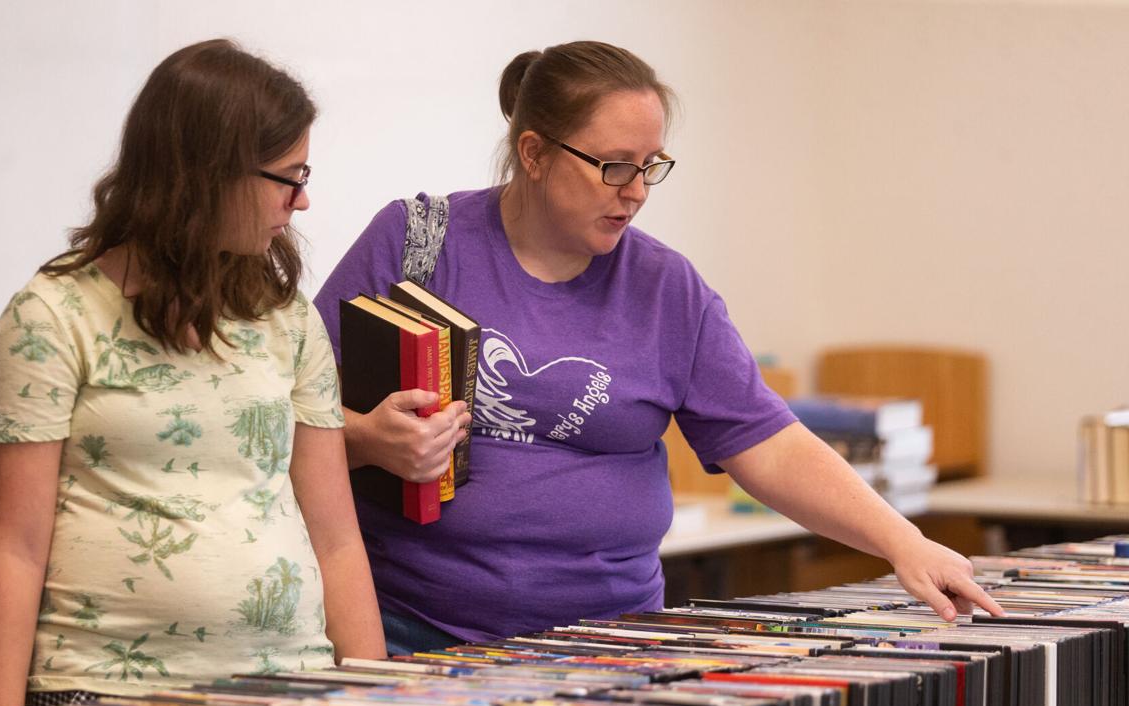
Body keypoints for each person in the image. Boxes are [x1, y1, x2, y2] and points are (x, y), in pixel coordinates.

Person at [313, 40, 1002, 655]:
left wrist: (902, 542)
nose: (637, 192)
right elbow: (283, 419)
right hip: (420, 634)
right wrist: (368, 440)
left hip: (613, 641)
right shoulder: (414, 244)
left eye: (652, 166)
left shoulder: (666, 288)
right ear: (534, 153)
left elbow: (768, 442)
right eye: (614, 167)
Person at [0, 39, 385, 706]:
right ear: (208, 174)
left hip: (294, 692)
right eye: (288, 175)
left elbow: (336, 538)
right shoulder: (51, 317)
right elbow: (12, 551)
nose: (303, 200)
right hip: (105, 696)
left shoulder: (286, 319)